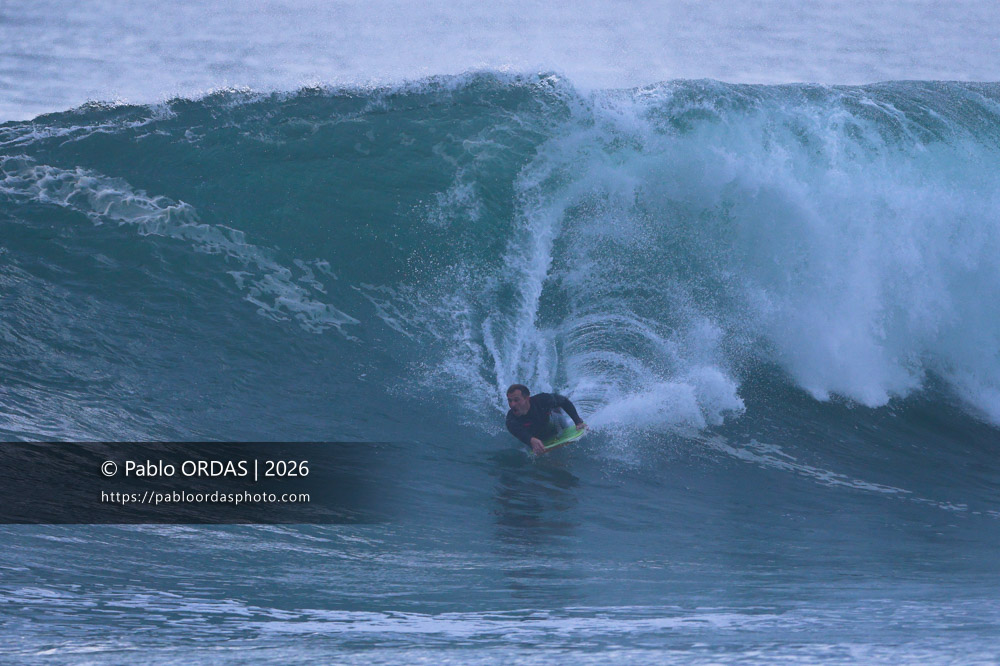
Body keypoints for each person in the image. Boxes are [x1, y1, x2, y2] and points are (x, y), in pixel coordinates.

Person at [505, 384, 587, 455]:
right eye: (510, 400)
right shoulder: (511, 420)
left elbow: (564, 401)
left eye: (516, 400)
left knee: (557, 415)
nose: (512, 404)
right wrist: (531, 440)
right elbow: (520, 433)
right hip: (536, 435)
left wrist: (578, 422)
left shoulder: (541, 400)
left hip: (555, 424)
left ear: (527, 398)